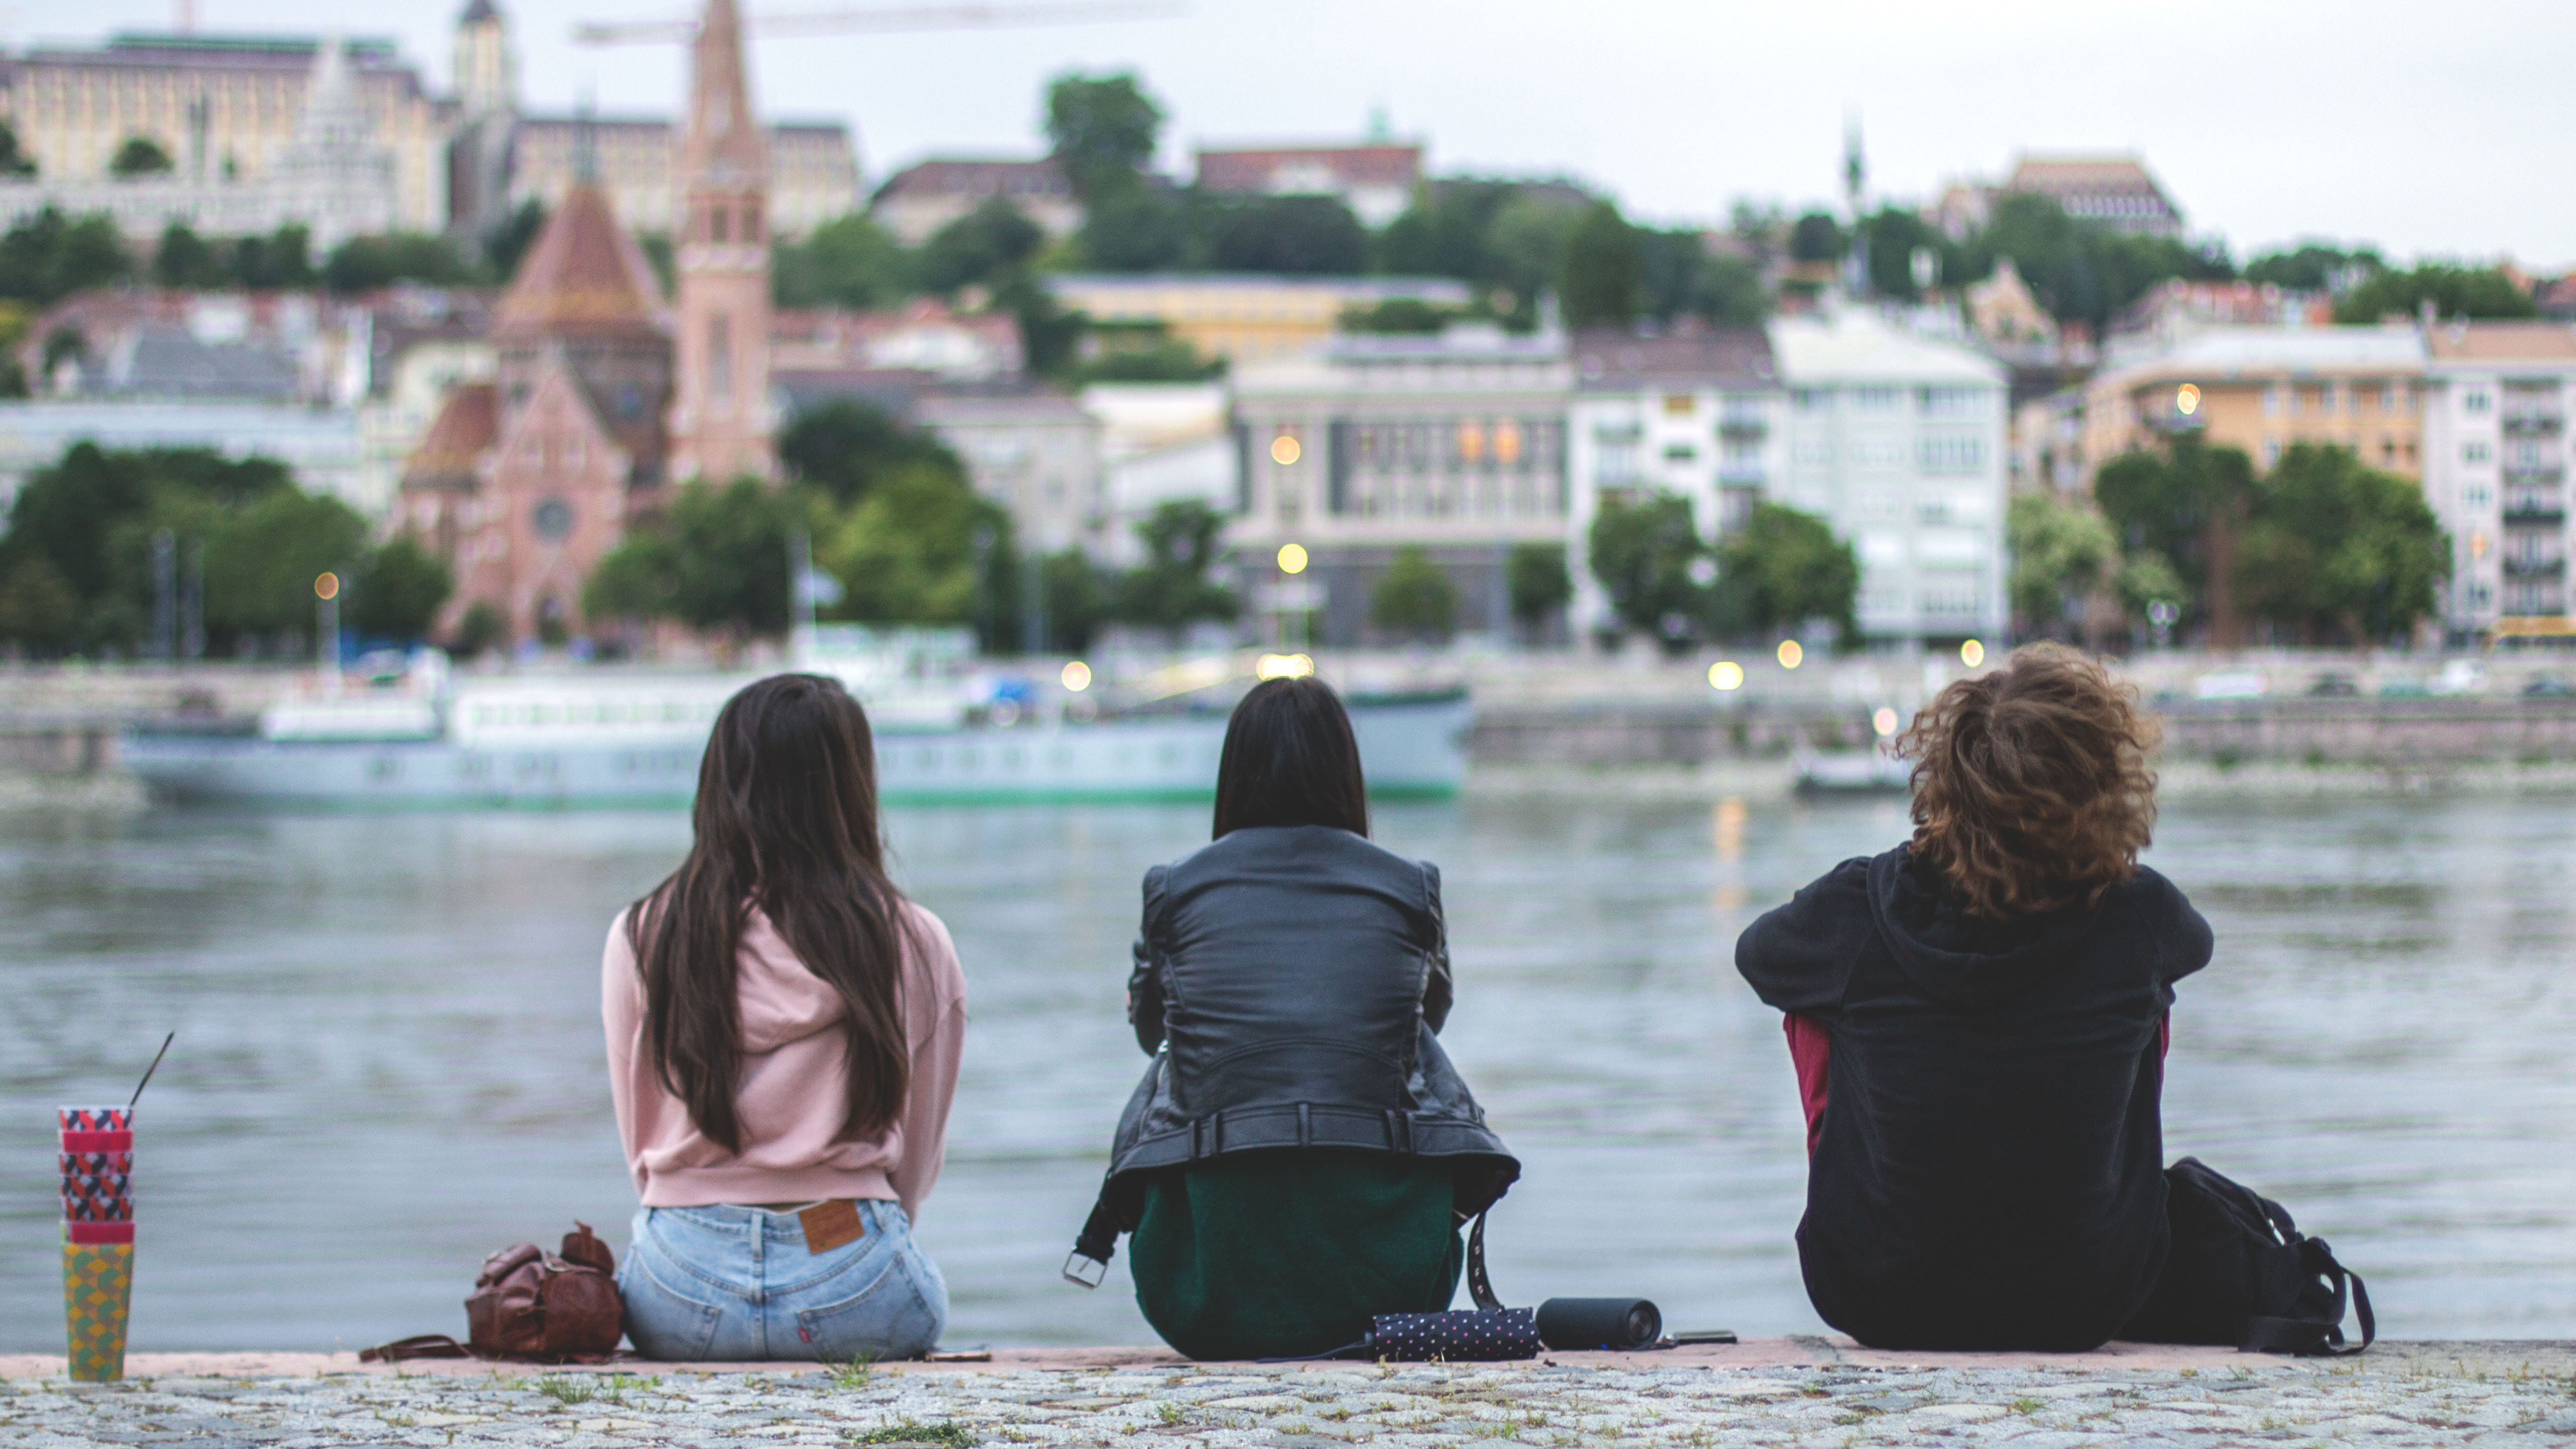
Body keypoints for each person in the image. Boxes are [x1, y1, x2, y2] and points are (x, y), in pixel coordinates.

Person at [1735, 646, 2211, 1351]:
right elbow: (2195, 946)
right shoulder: (2138, 914)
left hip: (1874, 1295)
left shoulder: (1857, 909)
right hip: (2087, 1302)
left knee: (1815, 999)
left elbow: (1758, 956)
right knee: (2149, 993)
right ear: (2102, 783)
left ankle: (1881, 1211)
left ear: (1944, 777)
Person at [1067, 676, 1520, 1361]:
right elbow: (1434, 1015)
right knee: (1409, 1040)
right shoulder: (1410, 887)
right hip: (1394, 1284)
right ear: (1346, 772)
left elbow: (1149, 1033)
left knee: (1179, 1055)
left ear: (1232, 774)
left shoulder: (1173, 890)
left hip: (1198, 1293)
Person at [604, 674, 966, 1362]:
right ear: (850, 788)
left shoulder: (644, 933)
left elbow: (639, 1129)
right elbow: (917, 1153)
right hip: (853, 1270)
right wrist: (850, 1240)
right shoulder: (913, 940)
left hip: (679, 1284)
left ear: (718, 783)